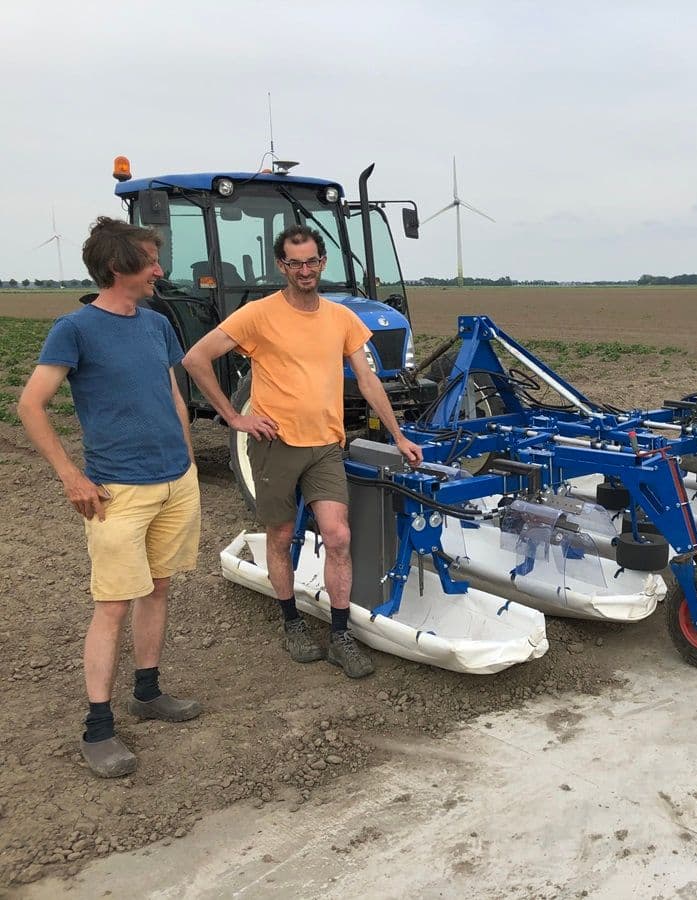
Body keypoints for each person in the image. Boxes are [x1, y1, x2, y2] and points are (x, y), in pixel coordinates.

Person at [183, 225, 422, 679]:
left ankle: (340, 635)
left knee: (338, 536)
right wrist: (234, 418)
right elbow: (196, 359)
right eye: (295, 263)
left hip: (326, 445)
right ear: (282, 266)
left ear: (322, 263)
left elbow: (367, 380)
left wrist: (398, 436)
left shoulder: (340, 318)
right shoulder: (258, 315)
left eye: (312, 261)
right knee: (280, 535)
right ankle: (291, 621)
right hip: (276, 445)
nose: (305, 270)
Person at [18, 217, 202, 778]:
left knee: (159, 587)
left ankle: (147, 691)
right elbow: (30, 405)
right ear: (120, 266)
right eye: (150, 261)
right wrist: (71, 476)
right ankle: (97, 728)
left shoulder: (156, 324)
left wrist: (188, 456)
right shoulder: (75, 329)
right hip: (118, 490)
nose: (159, 271)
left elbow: (171, 392)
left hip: (175, 482)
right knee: (114, 604)